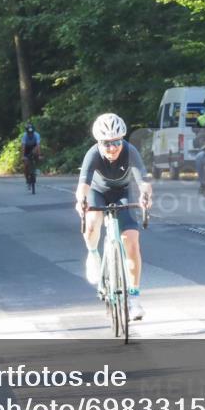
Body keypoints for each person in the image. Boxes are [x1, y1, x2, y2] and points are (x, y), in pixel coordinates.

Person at [75, 113, 152, 321]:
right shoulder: (93, 154)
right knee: (91, 225)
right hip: (97, 192)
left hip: (124, 193)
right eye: (106, 143)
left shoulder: (129, 151)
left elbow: (143, 181)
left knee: (132, 243)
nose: (112, 148)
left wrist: (146, 196)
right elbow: (83, 185)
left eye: (116, 142)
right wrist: (81, 201)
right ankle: (93, 254)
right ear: (99, 143)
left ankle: (134, 298)